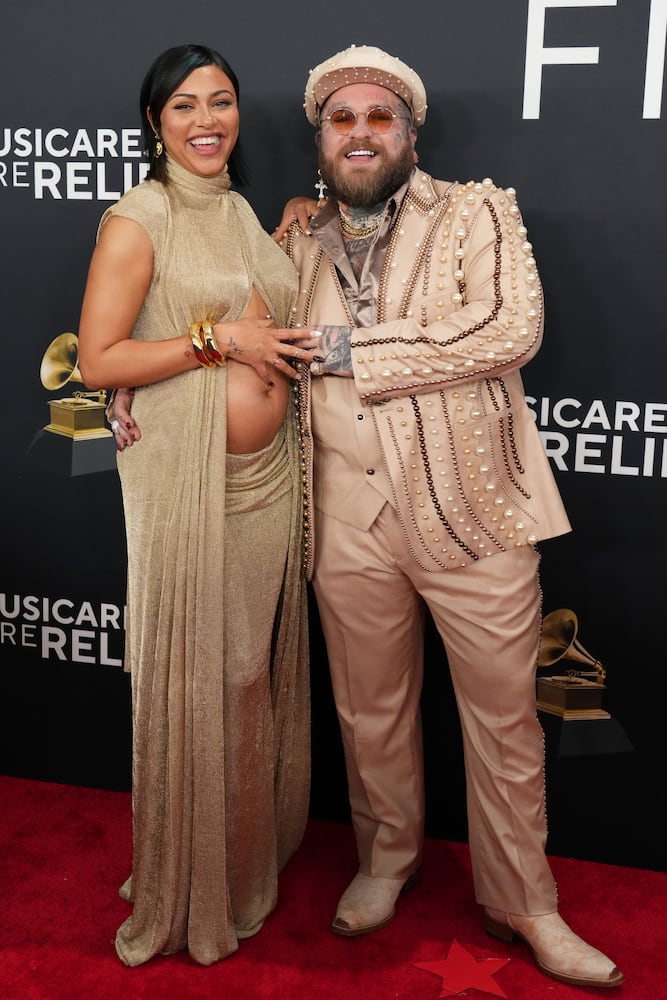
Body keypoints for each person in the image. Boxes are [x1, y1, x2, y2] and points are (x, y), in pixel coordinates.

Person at [108, 44, 624, 988]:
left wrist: (347, 347)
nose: (359, 133)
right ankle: (387, 861)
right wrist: (128, 391)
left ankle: (527, 903)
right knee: (370, 712)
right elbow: (213, 324)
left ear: (408, 132)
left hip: (471, 511)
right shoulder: (290, 236)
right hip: (339, 513)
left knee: (504, 722)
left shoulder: (475, 210)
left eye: (377, 117)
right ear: (319, 138)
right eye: (339, 119)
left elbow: (508, 328)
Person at [77, 43, 319, 967]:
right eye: (185, 106)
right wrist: (215, 340)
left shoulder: (244, 209)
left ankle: (240, 863)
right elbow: (101, 360)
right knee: (195, 678)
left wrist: (297, 221)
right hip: (187, 484)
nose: (207, 120)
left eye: (221, 102)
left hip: (264, 487)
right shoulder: (137, 220)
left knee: (243, 678)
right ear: (155, 122)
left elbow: (274, 289)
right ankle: (188, 884)